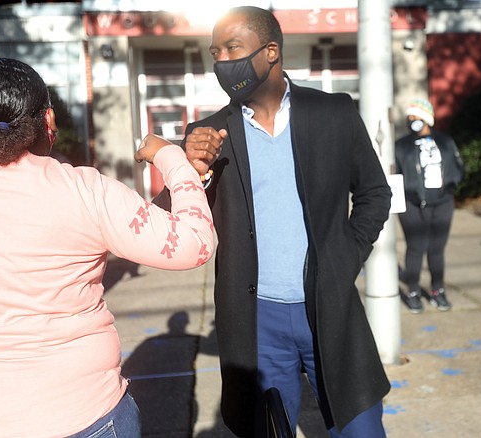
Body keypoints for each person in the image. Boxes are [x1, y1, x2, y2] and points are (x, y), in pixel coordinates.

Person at [0, 58, 214, 438]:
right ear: (48, 120)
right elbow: (194, 244)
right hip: (82, 415)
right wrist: (171, 157)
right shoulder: (85, 191)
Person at [155, 6, 392, 437]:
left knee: (361, 430)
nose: (223, 62)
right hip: (256, 323)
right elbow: (163, 224)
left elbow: (375, 193)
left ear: (270, 51)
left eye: (233, 48)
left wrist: (346, 257)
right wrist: (190, 167)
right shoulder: (207, 134)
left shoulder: (333, 113)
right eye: (216, 52)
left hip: (330, 308)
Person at [395, 98, 464, 313]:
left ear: (427, 117)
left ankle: (437, 290)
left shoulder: (444, 142)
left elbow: (458, 166)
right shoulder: (402, 145)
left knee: (437, 249)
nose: (412, 121)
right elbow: (395, 172)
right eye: (409, 118)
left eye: (416, 117)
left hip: (442, 203)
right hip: (412, 204)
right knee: (415, 248)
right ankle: (414, 291)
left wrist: (450, 187)